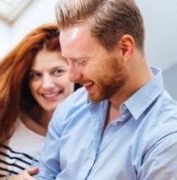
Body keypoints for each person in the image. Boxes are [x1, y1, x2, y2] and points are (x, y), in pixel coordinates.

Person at [32, 0, 177, 179]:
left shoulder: (167, 140)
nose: (72, 77)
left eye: (80, 61)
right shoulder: (71, 107)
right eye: (67, 61)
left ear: (124, 49)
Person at [0, 23, 80, 179]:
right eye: (36, 75)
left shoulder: (83, 138)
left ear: (76, 72)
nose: (46, 85)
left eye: (57, 72)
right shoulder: (7, 118)